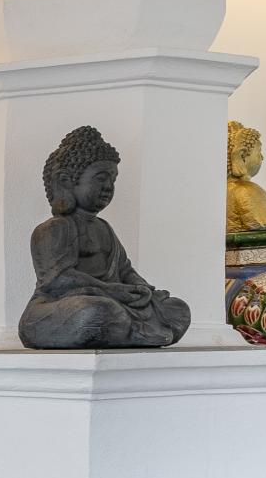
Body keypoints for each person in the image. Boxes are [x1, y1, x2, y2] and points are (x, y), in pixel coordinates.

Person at [19, 126, 190, 349]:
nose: (108, 187)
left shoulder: (104, 228)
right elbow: (57, 282)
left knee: (177, 309)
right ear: (66, 181)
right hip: (57, 307)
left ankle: (128, 330)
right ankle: (131, 331)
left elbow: (125, 270)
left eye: (113, 179)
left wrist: (142, 289)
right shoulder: (54, 229)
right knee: (97, 312)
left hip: (115, 301)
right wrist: (109, 290)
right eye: (101, 178)